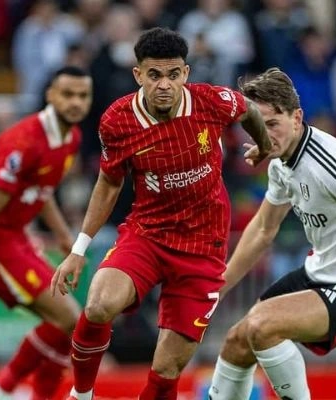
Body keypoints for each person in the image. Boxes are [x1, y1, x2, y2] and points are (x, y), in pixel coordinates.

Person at [50, 27, 274, 400]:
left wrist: (264, 146)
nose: (165, 85)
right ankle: (82, 394)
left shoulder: (211, 101)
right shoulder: (117, 121)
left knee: (166, 369)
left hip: (203, 246)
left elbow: (248, 109)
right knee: (99, 302)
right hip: (148, 233)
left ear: (185, 73)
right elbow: (108, 183)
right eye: (155, 75)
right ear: (139, 75)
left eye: (173, 74)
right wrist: (78, 250)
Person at [207, 68, 336, 400]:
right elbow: (263, 228)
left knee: (261, 326)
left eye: (271, 124)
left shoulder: (332, 165)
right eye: (255, 126)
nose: (263, 134)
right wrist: (217, 291)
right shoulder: (280, 162)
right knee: (237, 340)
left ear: (297, 117)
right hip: (319, 272)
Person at [0, 66, 93, 400]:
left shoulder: (71, 137)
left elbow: (41, 192)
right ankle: (1, 391)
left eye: (83, 95)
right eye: (68, 94)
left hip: (15, 237)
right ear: (50, 96)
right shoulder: (23, 142)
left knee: (69, 324)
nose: (76, 102)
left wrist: (64, 237)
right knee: (71, 321)